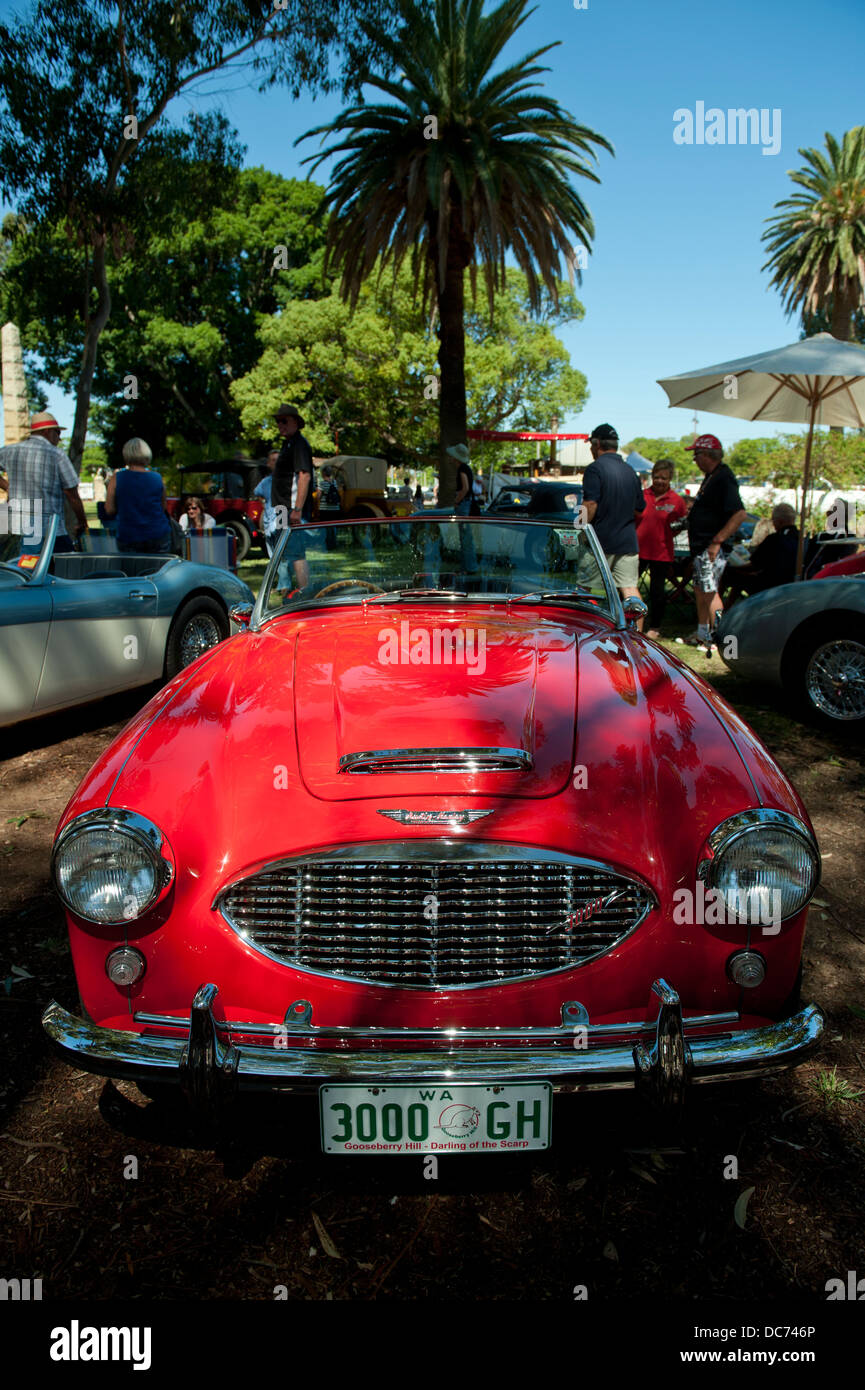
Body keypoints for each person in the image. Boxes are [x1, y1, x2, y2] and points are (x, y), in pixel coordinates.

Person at [683, 434, 747, 647]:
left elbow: (739, 514)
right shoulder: (712, 476)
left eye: (696, 455)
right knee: (701, 590)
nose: (695, 459)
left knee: (710, 592)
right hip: (701, 547)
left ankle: (721, 637)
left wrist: (717, 541)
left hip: (711, 548)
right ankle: (703, 633)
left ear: (707, 454)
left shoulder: (724, 477)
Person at [0, 410, 87, 552]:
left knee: (21, 566)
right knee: (60, 568)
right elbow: (71, 494)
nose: (59, 438)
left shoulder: (9, 451)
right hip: (47, 526)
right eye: (58, 433)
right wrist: (82, 521)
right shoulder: (56, 454)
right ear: (47, 431)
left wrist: (7, 486)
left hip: (14, 524)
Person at [581, 423, 645, 604]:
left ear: (597, 444)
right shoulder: (631, 471)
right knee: (630, 591)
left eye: (592, 445)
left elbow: (590, 504)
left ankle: (587, 630)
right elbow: (639, 508)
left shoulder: (595, 468)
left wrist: (580, 528)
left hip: (600, 541)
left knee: (584, 591)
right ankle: (637, 631)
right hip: (627, 542)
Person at [636, 459, 687, 637]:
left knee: (657, 591)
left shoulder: (677, 500)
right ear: (652, 476)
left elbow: (681, 523)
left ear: (670, 479)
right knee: (628, 587)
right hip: (638, 550)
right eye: (656, 477)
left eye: (663, 478)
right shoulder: (642, 495)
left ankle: (655, 627)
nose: (659, 481)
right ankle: (628, 620)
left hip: (662, 552)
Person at [105, 438, 172, 554]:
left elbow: (109, 509)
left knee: (132, 571)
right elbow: (163, 507)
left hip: (129, 536)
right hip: (158, 534)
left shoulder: (117, 478)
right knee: (159, 570)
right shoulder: (157, 478)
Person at [272, 403, 313, 589]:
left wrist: (297, 509)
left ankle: (304, 591)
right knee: (284, 551)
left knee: (297, 553)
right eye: (278, 421)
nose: (280, 424)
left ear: (295, 422)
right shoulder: (287, 444)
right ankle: (286, 589)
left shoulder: (299, 444)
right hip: (281, 508)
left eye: (284, 421)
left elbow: (304, 475)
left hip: (291, 510)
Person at [724, 503, 798, 603]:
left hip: (768, 585)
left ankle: (724, 610)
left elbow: (754, 566)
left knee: (729, 574)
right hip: (792, 584)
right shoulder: (801, 540)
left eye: (773, 521)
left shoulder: (774, 539)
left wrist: (732, 568)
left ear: (780, 521)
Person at [447, 443, 479, 572]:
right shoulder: (467, 468)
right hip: (467, 503)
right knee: (466, 538)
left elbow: (465, 488)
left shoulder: (462, 469)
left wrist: (456, 501)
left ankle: (469, 567)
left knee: (465, 538)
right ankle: (467, 566)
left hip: (464, 505)